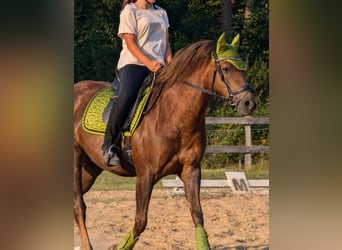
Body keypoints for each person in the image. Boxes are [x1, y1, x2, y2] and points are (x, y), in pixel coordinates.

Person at [102, 0, 172, 166]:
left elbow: (166, 45)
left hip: (160, 67)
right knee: (125, 97)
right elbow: (130, 42)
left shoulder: (161, 12)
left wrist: (172, 66)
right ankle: (109, 145)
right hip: (134, 64)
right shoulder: (130, 11)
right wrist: (148, 62)